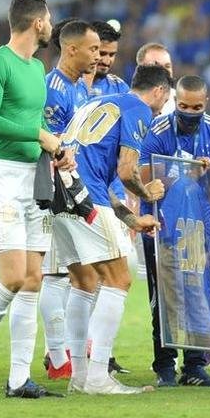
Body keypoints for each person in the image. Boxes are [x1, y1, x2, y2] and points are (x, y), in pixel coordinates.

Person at [0, 0, 76, 399]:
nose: (51, 25)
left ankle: (18, 379)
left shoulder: (37, 68)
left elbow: (32, 120)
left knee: (32, 280)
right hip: (4, 177)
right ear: (38, 22)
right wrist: (39, 135)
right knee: (11, 277)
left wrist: (55, 147)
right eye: (49, 19)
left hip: (35, 176)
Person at [57, 64, 171, 394]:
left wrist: (132, 219)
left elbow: (97, 171)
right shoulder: (139, 109)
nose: (162, 107)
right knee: (121, 276)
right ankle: (97, 377)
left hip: (60, 193)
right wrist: (147, 192)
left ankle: (79, 375)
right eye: (164, 99)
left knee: (84, 281)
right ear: (159, 91)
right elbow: (126, 171)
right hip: (86, 196)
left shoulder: (95, 104)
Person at [139, 74, 210, 387]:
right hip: (162, 224)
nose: (190, 112)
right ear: (176, 101)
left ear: (206, 103)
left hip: (198, 227)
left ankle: (194, 366)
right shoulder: (158, 129)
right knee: (164, 298)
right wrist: (183, 174)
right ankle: (164, 366)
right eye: (185, 105)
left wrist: (207, 176)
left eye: (197, 106)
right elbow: (144, 178)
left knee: (199, 294)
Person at [40, 20, 102, 380]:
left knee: (78, 271)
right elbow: (50, 141)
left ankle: (69, 349)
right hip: (53, 191)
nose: (97, 56)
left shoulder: (79, 89)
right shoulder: (53, 89)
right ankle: (58, 355)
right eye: (93, 49)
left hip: (73, 189)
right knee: (54, 273)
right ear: (72, 49)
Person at [86, 20, 129, 96]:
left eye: (112, 55)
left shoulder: (119, 88)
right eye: (102, 54)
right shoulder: (68, 85)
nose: (106, 61)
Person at [135, 42, 176, 115]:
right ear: (141, 69)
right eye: (156, 67)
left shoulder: (182, 103)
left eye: (167, 66)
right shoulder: (127, 104)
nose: (164, 72)